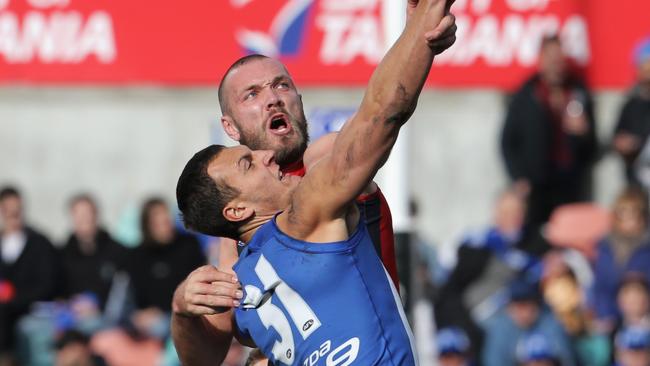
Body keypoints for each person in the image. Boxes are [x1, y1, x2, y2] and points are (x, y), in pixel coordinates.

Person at [172, 0, 457, 363]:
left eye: (281, 85)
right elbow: (203, 357)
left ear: (299, 99)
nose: (273, 98)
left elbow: (380, 115)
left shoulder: (320, 165)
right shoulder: (240, 246)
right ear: (230, 127)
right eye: (252, 94)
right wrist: (182, 308)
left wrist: (418, 41)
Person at [501, 35, 597, 228]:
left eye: (559, 59)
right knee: (535, 237)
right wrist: (519, 177)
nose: (556, 64)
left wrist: (584, 133)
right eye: (551, 58)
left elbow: (593, 146)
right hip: (536, 185)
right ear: (541, 60)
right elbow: (507, 142)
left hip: (569, 184)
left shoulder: (578, 93)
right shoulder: (526, 95)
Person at [0, 186, 59, 365]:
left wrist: (14, 299)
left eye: (16, 210)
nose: (13, 215)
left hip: (29, 308)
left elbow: (47, 284)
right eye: (7, 210)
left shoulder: (39, 244)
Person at [612, 37, 650, 187]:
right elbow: (616, 136)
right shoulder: (631, 104)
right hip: (637, 183)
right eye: (644, 66)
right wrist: (623, 143)